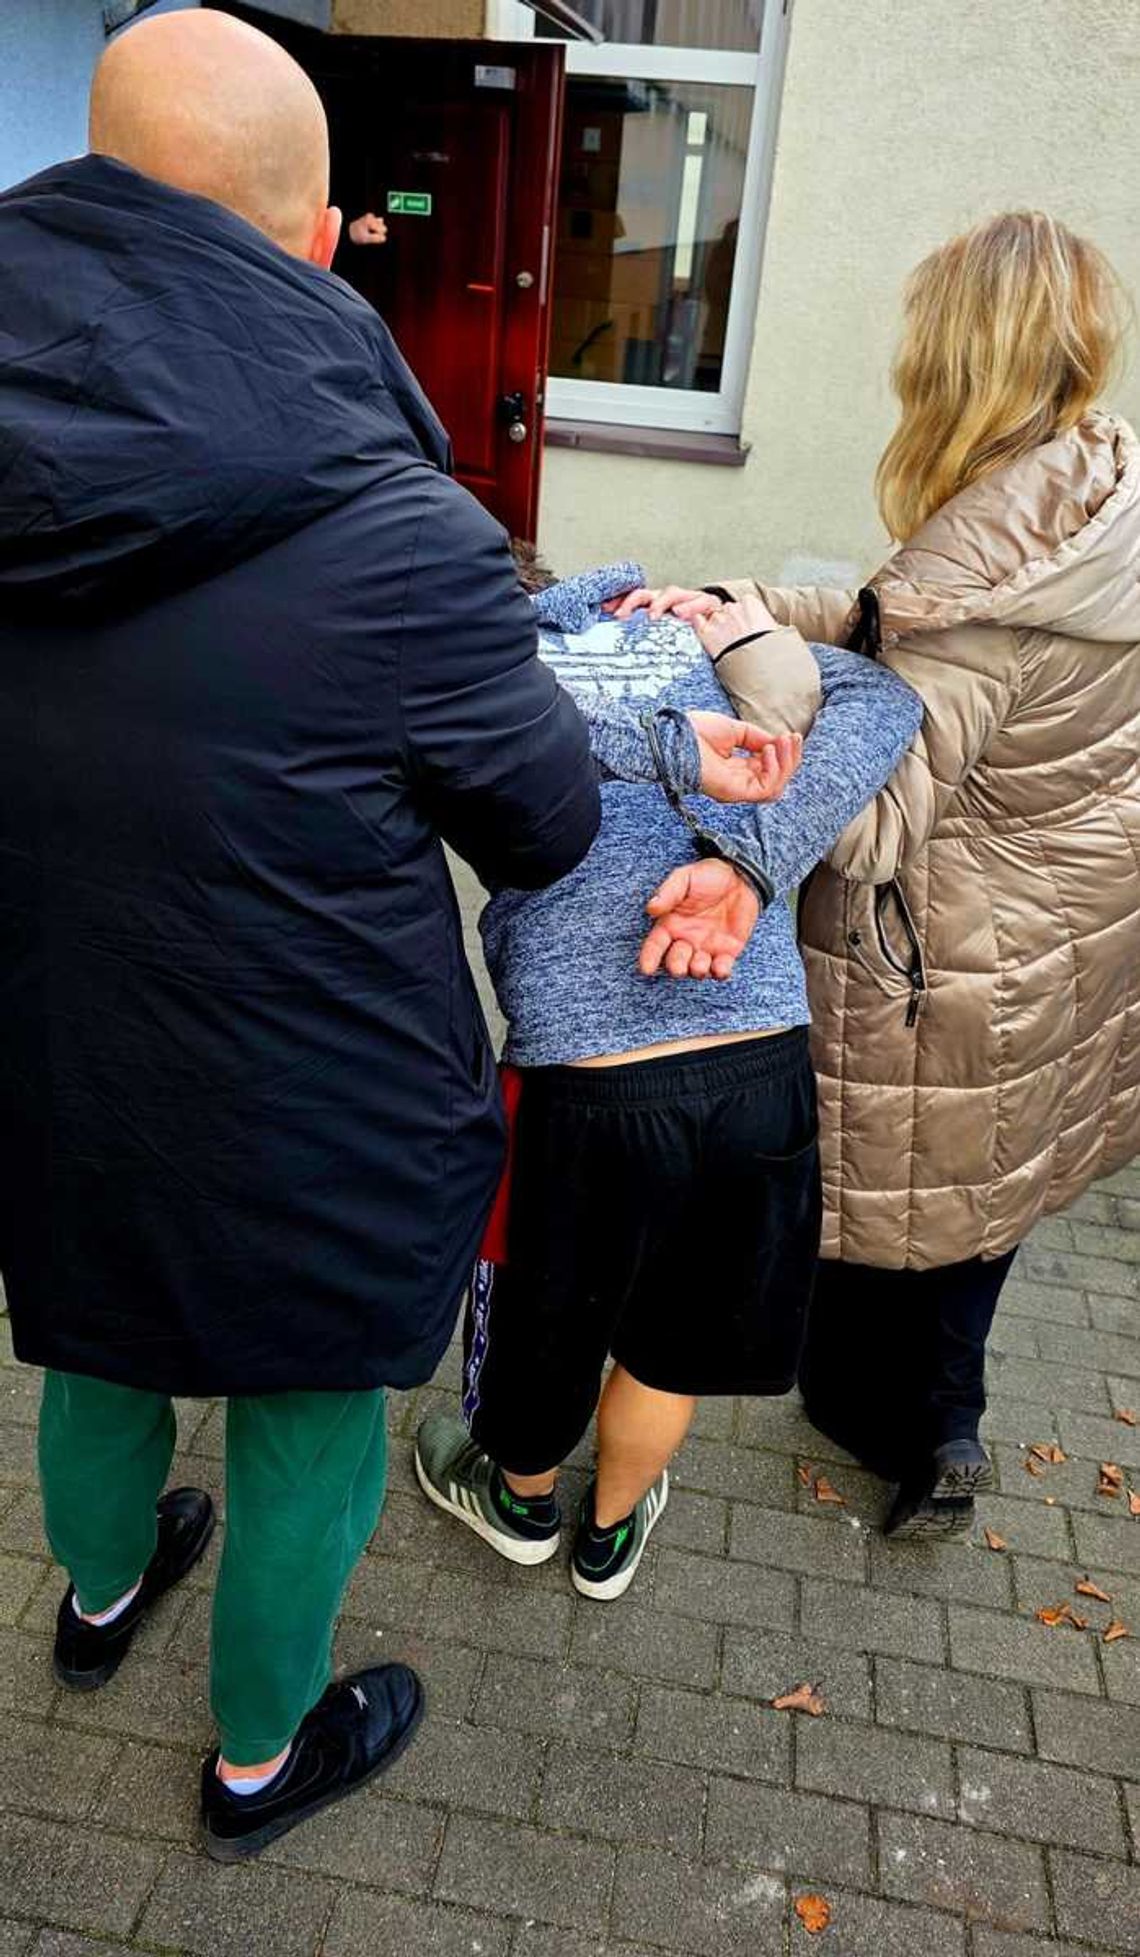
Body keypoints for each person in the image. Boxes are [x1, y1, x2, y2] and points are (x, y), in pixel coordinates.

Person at [0, 11, 783, 1862]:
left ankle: (101, 1601)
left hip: (57, 1048)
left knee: (93, 1342)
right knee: (301, 1414)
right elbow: (541, 823)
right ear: (314, 231)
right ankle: (258, 1761)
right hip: (312, 1094)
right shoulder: (399, 533)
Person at [610, 211, 1140, 1537]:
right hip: (1068, 928)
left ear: (965, 363)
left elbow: (870, 815)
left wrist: (747, 659)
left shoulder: (987, 567)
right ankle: (941, 1416)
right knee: (994, 1183)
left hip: (953, 953)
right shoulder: (1088, 501)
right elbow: (919, 650)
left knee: (914, 1184)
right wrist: (761, 604)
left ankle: (894, 1417)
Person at [414, 554, 921, 1599]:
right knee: (675, 1339)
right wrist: (752, 849)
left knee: (544, 1327)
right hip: (760, 1060)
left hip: (579, 1081)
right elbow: (885, 697)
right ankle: (607, 1535)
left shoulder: (471, 667)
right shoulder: (690, 635)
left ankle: (520, 1506)